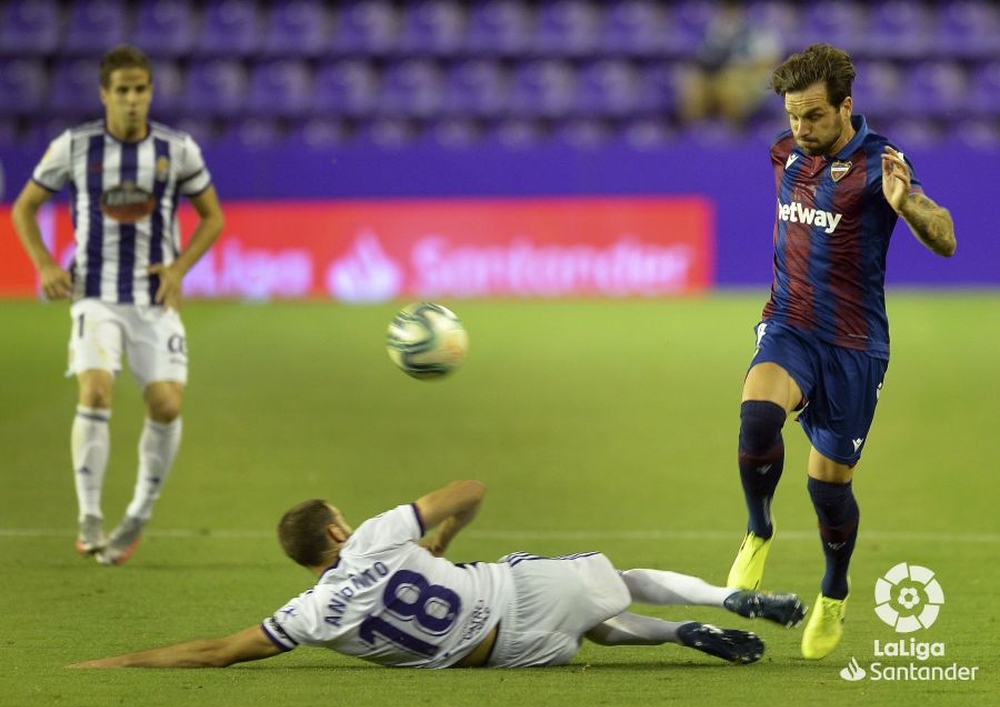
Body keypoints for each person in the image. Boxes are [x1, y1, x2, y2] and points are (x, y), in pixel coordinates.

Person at [725, 44, 957, 660]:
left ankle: (834, 590)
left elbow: (947, 238)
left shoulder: (882, 161)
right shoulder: (783, 152)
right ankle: (758, 529)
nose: (800, 130)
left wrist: (906, 204)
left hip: (855, 347)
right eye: (794, 116)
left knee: (829, 489)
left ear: (846, 107)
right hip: (789, 325)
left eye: (814, 117)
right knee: (757, 418)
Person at [71, 480, 806, 669]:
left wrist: (120, 658)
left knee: (600, 632)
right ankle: (733, 596)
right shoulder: (374, 540)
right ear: (336, 531)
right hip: (512, 593)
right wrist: (438, 534)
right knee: (629, 574)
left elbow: (219, 653)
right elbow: (469, 491)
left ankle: (684, 634)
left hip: (503, 658)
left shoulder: (312, 613)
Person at [10, 46, 224, 566]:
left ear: (150, 92)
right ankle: (89, 516)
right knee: (97, 389)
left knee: (167, 405)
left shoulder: (178, 149)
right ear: (105, 94)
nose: (133, 100)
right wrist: (44, 263)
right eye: (123, 90)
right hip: (96, 295)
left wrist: (177, 270)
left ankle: (137, 516)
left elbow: (212, 217)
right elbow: (25, 207)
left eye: (141, 90)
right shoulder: (75, 146)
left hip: (153, 298)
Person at [677, 1, 781, 129]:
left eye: (732, 9)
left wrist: (739, 70)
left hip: (752, 82)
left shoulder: (759, 32)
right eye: (725, 9)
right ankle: (695, 132)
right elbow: (705, 59)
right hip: (719, 77)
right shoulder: (716, 32)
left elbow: (767, 64)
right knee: (693, 83)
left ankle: (732, 132)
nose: (728, 14)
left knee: (731, 84)